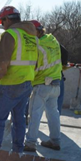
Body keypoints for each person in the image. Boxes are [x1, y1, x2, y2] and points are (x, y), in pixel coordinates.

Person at [0, 6, 38, 153]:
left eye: (2, 22)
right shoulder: (31, 36)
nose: (2, 25)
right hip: (27, 84)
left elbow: (1, 64)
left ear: (7, 19)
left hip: (11, 84)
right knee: (19, 121)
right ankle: (18, 152)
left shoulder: (10, 34)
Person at [24, 20, 63, 152]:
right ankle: (55, 141)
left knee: (34, 114)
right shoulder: (53, 41)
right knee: (53, 114)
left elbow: (31, 65)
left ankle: (30, 143)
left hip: (42, 84)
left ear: (36, 31)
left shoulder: (36, 45)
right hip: (56, 84)